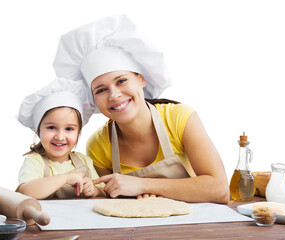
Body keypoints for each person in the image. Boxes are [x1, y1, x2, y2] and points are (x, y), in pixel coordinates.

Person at [53, 15, 229, 203]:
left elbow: (219, 190)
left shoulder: (179, 119)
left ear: (142, 79)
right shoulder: (99, 144)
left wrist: (144, 185)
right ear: (93, 100)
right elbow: (107, 200)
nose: (114, 95)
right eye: (101, 90)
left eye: (121, 81)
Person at [16, 78, 105, 199]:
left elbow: (104, 193)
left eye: (69, 129)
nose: (60, 137)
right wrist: (66, 178)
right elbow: (26, 192)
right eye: (52, 127)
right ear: (38, 131)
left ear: (78, 132)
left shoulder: (84, 161)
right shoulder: (35, 161)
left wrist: (95, 190)